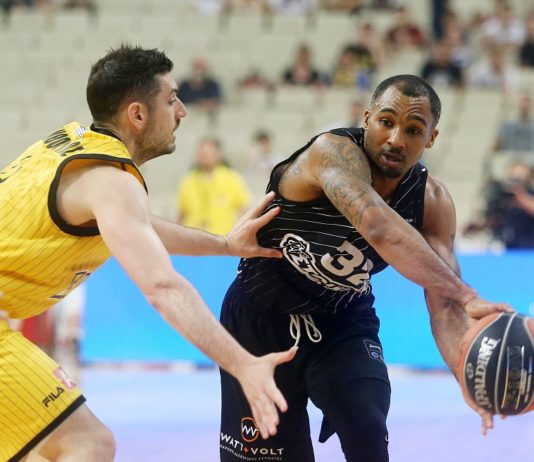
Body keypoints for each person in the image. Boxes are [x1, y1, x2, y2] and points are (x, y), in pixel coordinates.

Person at [0, 44, 297, 462]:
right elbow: (162, 286)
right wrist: (243, 364)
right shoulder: (110, 180)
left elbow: (142, 226)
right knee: (87, 444)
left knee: (38, 451)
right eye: (172, 100)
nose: (182, 111)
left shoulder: (71, 145)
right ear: (137, 115)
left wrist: (225, 245)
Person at [218, 74, 513, 462]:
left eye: (413, 130)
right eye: (386, 122)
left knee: (367, 429)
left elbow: (444, 303)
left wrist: (466, 373)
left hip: (341, 321)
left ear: (431, 138)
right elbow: (376, 225)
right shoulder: (331, 153)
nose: (395, 139)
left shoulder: (432, 202)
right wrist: (466, 293)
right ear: (367, 119)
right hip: (258, 321)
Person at [176, 136, 252, 235]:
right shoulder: (187, 181)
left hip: (223, 238)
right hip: (193, 239)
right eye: (201, 153)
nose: (204, 156)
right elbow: (181, 215)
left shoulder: (232, 178)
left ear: (218, 154)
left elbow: (243, 211)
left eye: (208, 153)